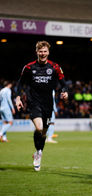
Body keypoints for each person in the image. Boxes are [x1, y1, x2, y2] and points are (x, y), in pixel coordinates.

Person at [15, 41, 68, 171]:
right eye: (40, 51)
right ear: (37, 52)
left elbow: (63, 84)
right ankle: (38, 153)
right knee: (39, 128)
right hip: (34, 102)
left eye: (45, 51)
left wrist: (65, 92)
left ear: (48, 52)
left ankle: (38, 152)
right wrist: (18, 98)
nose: (43, 53)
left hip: (48, 105)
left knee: (44, 133)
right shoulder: (29, 67)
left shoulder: (55, 67)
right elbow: (20, 84)